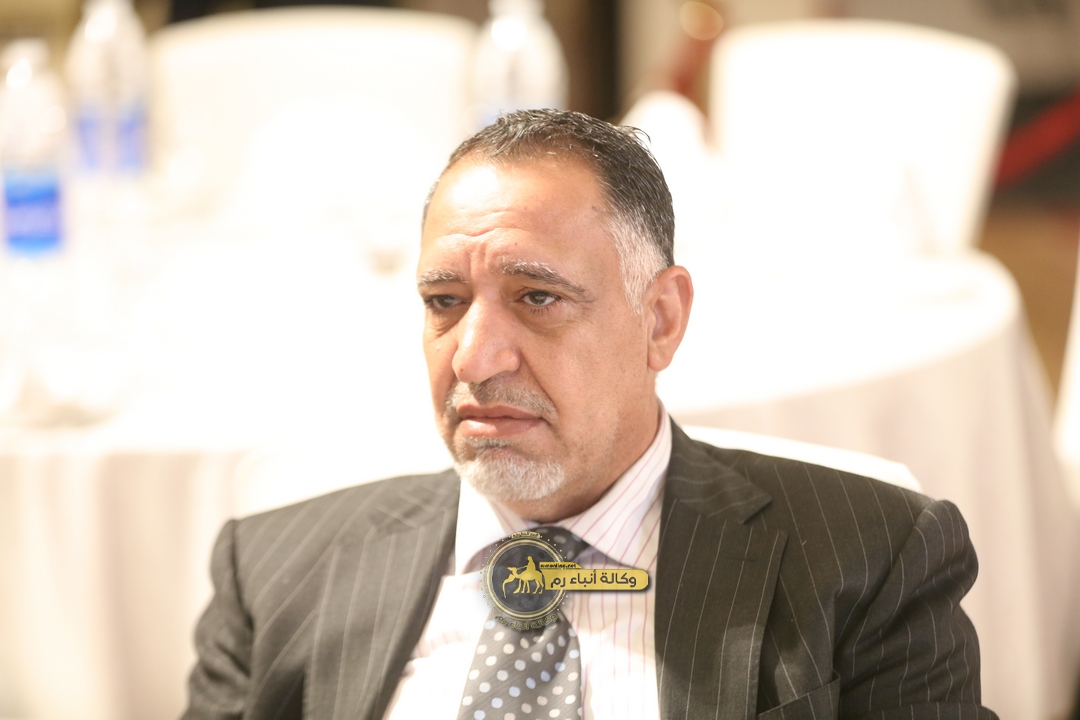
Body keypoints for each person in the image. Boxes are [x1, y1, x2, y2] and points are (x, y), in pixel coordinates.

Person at [181, 109, 996, 720]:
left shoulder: (870, 562)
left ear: (660, 319)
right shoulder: (272, 572)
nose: (473, 358)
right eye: (444, 301)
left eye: (537, 297)